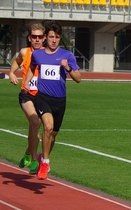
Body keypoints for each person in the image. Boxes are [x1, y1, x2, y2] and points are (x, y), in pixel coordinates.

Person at [23, 21, 81, 180]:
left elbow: (78, 78)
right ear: (45, 38)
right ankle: (45, 163)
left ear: (60, 38)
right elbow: (31, 67)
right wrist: (27, 82)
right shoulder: (38, 54)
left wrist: (68, 68)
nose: (53, 40)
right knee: (47, 127)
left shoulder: (67, 55)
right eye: (50, 37)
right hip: (42, 98)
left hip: (60, 101)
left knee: (52, 135)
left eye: (56, 37)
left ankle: (43, 156)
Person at [8, 22, 46, 174]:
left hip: (43, 96)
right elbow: (17, 61)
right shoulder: (25, 52)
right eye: (34, 37)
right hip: (27, 94)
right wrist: (11, 73)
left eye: (40, 37)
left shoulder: (49, 54)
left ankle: (28, 153)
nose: (37, 39)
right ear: (30, 38)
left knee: (34, 128)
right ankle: (35, 160)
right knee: (35, 122)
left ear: (44, 38)